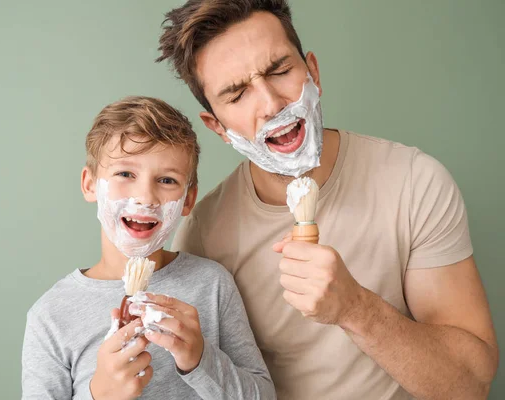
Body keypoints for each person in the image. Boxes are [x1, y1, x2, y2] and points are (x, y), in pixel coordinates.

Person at [158, 1, 499, 399]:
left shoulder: (415, 182)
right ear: (217, 127)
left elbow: (471, 385)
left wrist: (355, 309)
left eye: (280, 70)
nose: (271, 104)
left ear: (313, 73)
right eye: (237, 95)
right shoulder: (203, 235)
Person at [21, 96, 275, 399]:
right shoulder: (51, 316)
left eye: (167, 180)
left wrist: (200, 358)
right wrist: (99, 393)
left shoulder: (212, 284)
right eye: (125, 174)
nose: (145, 197)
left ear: (188, 200)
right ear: (90, 184)